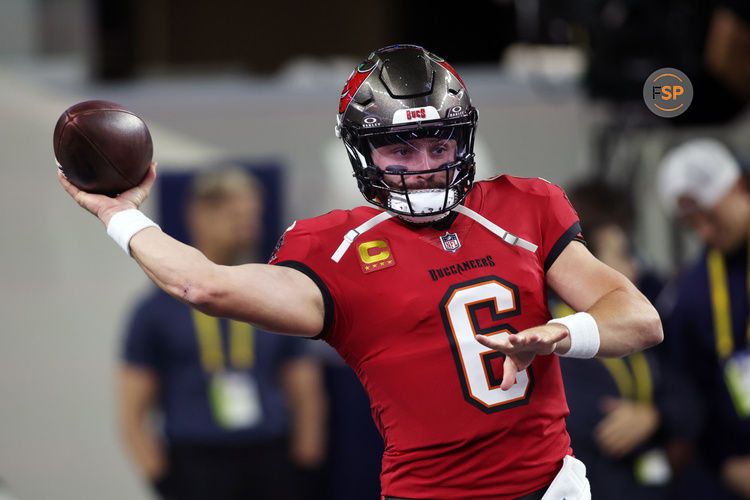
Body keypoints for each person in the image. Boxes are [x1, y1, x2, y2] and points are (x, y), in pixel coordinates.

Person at [59, 45, 662, 500]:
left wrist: (561, 333)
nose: (424, 167)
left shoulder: (525, 206)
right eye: (400, 149)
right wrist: (120, 216)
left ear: (465, 141)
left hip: (553, 486)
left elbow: (638, 319)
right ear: (362, 154)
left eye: (438, 145)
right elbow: (204, 284)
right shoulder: (335, 246)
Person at [118, 167, 327, 500]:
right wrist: (163, 480)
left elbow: (306, 389)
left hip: (270, 455)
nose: (249, 226)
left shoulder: (270, 293)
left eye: (252, 216)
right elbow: (132, 412)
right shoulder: (155, 311)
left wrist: (305, 464)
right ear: (200, 215)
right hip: (196, 460)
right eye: (236, 215)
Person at [551, 180, 702, 499]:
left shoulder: (631, 325)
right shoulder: (552, 338)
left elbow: (689, 398)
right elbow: (599, 429)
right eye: (621, 255)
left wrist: (654, 416)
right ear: (586, 264)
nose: (633, 269)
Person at [657, 137, 750, 499]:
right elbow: (693, 398)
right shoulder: (693, 294)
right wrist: (729, 464)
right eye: (692, 225)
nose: (705, 233)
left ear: (738, 186)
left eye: (710, 216)